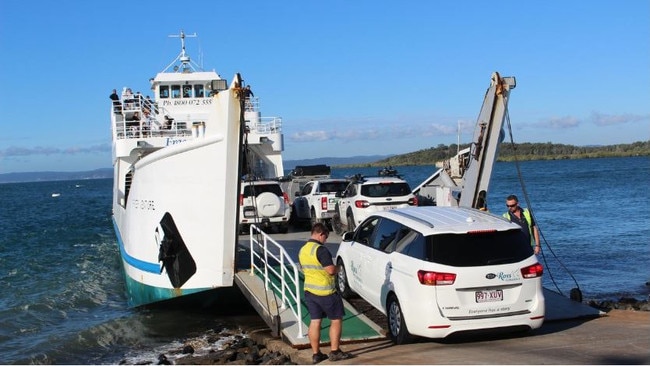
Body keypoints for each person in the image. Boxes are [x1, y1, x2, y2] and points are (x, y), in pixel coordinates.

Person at [298, 223, 353, 364]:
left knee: (315, 322)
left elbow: (305, 269)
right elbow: (330, 270)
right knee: (336, 320)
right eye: (326, 237)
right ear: (321, 234)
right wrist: (339, 268)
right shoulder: (321, 250)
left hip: (310, 291)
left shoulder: (303, 250)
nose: (326, 240)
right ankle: (335, 351)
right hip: (326, 292)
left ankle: (316, 354)